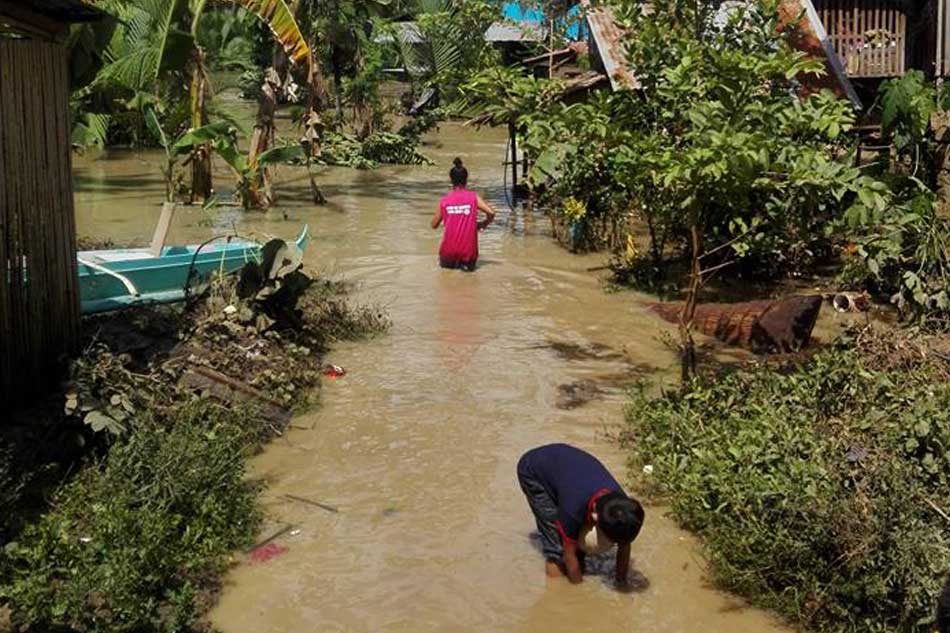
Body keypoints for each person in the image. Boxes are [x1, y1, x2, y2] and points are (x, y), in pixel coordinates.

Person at [517, 443, 645, 586]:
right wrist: (578, 594)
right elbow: (568, 553)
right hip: (533, 471)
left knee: (578, 547)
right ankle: (555, 589)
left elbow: (625, 544)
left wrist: (621, 582)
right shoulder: (572, 510)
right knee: (557, 549)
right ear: (595, 518)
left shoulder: (621, 506)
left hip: (566, 468)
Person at [431, 157, 495, 271]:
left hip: (448, 252)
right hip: (468, 252)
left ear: (451, 180)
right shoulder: (473, 198)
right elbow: (491, 213)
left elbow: (434, 225)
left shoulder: (445, 201)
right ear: (466, 179)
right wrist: (483, 224)